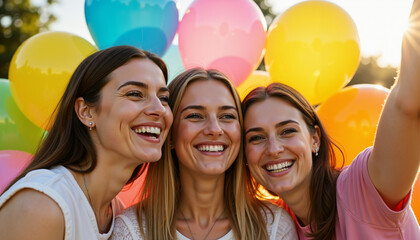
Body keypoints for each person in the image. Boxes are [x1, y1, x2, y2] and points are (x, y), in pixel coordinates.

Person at [242, 1, 420, 239]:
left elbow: (407, 103)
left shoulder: (360, 191)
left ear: (315, 138)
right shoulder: (274, 224)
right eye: (256, 137)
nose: (273, 148)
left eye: (287, 131)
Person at [0, 45, 173, 240]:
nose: (159, 109)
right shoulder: (41, 206)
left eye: (164, 98)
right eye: (135, 94)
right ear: (86, 112)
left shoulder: (119, 216)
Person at [111, 68, 298, 240]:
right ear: (169, 136)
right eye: (195, 116)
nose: (214, 129)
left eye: (227, 116)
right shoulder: (131, 230)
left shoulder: (274, 226)